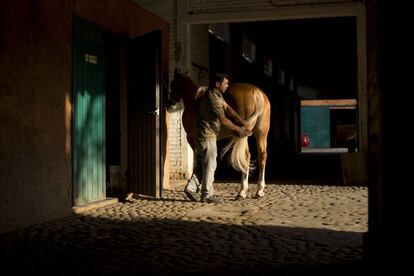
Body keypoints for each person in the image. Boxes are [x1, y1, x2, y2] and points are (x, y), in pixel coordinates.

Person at [184, 73, 252, 203]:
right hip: (206, 135)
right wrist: (239, 130)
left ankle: (191, 187)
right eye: (225, 83)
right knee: (210, 165)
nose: (227, 85)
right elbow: (223, 120)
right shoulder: (212, 98)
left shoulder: (216, 95)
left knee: (201, 164)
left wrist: (241, 121)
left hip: (203, 134)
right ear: (217, 84)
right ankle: (207, 194)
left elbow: (228, 108)